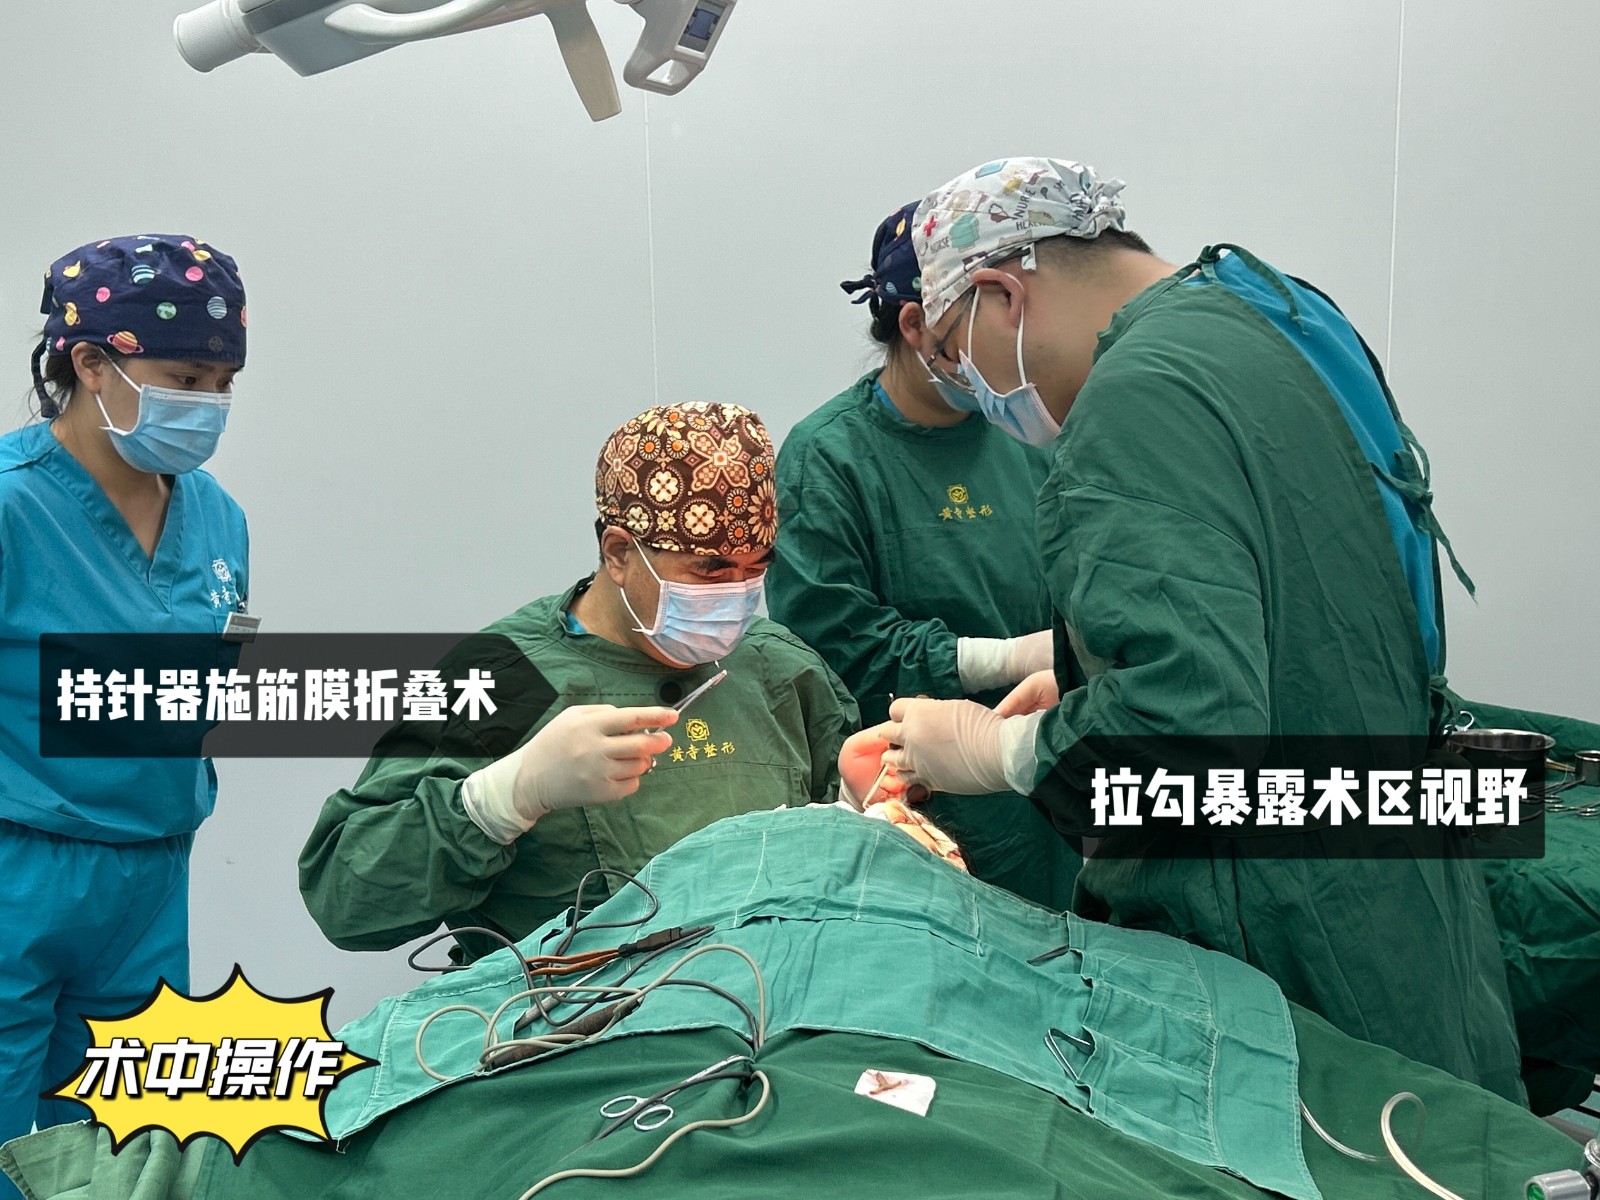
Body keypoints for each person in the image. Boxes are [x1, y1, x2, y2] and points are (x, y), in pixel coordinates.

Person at [857, 157, 1525, 1102]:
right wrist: (1090, 676)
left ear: (1004, 294)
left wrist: (996, 749)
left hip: (1280, 935)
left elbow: (1190, 731)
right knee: (1446, 1137)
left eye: (960, 353)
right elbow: (1293, 591)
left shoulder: (1135, 398)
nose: (972, 387)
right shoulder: (1275, 311)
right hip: (1390, 866)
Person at [300, 402, 866, 962]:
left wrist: (868, 808)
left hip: (776, 996)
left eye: (756, 567)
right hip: (578, 1012)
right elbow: (344, 899)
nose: (736, 593)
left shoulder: (778, 669)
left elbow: (855, 875)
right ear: (619, 553)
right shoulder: (503, 677)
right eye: (710, 569)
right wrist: (503, 799)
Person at [0, 236, 250, 1163]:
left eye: (224, 383)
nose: (208, 404)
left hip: (151, 876)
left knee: (124, 1152)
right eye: (185, 378)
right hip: (19, 870)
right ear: (91, 364)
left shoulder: (218, 518)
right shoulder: (12, 506)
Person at [767, 202, 1079, 908]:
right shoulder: (829, 460)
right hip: (918, 805)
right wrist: (1001, 659)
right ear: (914, 325)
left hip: (1047, 788)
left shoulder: (1029, 437)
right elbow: (835, 649)